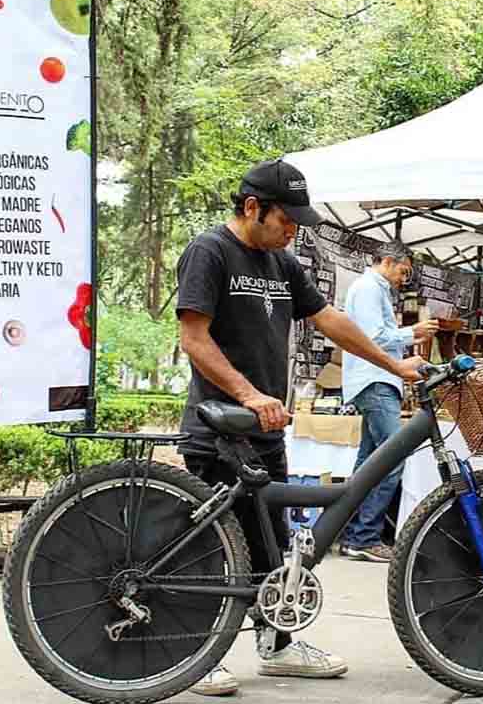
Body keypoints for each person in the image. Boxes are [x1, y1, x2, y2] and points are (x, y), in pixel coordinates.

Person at [176, 158, 425, 695]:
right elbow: (193, 338)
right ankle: (196, 654)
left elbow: (330, 320)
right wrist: (247, 393)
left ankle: (279, 646)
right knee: (213, 549)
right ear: (252, 208)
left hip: (264, 431)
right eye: (285, 218)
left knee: (272, 544)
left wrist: (395, 364)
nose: (293, 229)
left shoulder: (281, 263)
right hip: (219, 427)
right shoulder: (209, 252)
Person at [339, 240, 438, 562]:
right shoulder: (369, 287)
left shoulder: (374, 289)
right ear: (386, 261)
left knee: (369, 465)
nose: (403, 279)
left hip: (378, 380)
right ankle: (363, 536)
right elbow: (375, 337)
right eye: (402, 271)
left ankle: (349, 533)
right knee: (394, 458)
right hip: (375, 380)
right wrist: (413, 332)